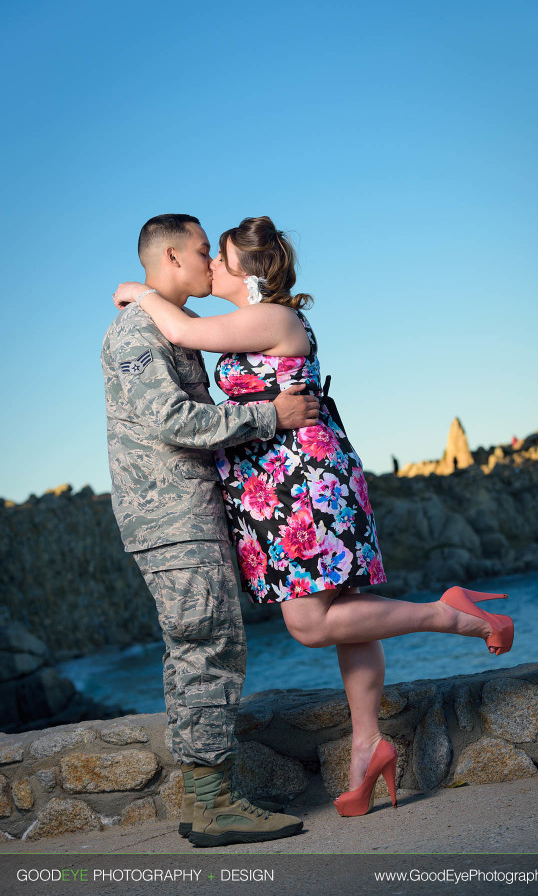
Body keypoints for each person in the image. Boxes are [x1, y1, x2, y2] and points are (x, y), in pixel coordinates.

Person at [114, 215, 514, 819]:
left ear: (244, 269)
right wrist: (149, 296)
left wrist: (141, 293)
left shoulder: (272, 317)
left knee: (307, 624)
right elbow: (189, 332)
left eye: (216, 257)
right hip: (282, 481)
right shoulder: (241, 321)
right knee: (347, 616)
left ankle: (447, 613)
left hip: (300, 482)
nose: (210, 266)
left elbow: (179, 328)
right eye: (202, 254)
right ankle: (365, 745)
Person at [102, 214, 321, 847]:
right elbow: (173, 420)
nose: (209, 263)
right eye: (202, 252)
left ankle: (208, 800)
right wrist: (269, 416)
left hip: (188, 514)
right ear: (170, 256)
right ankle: (214, 803)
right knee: (206, 648)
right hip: (171, 518)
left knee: (205, 646)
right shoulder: (135, 331)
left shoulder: (172, 328)